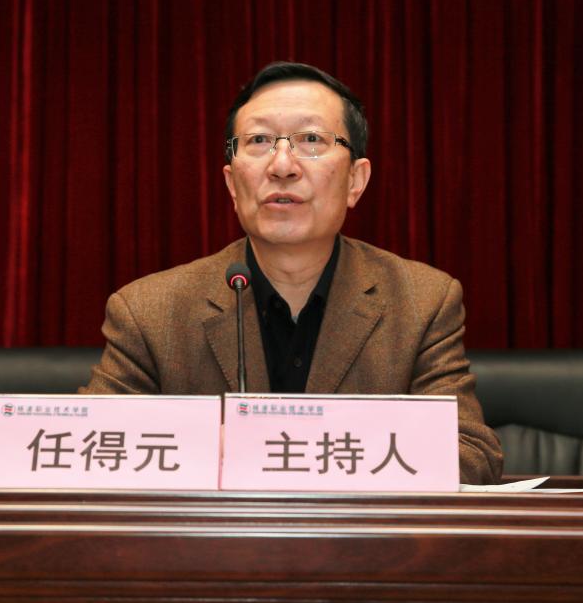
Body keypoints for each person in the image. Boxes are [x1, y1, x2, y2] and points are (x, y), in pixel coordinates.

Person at [82, 62, 503, 484]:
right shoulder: (149, 312)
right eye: (259, 141)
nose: (282, 165)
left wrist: (279, 451)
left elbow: (471, 455)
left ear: (356, 180)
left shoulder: (422, 301)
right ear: (231, 185)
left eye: (311, 140)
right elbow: (89, 451)